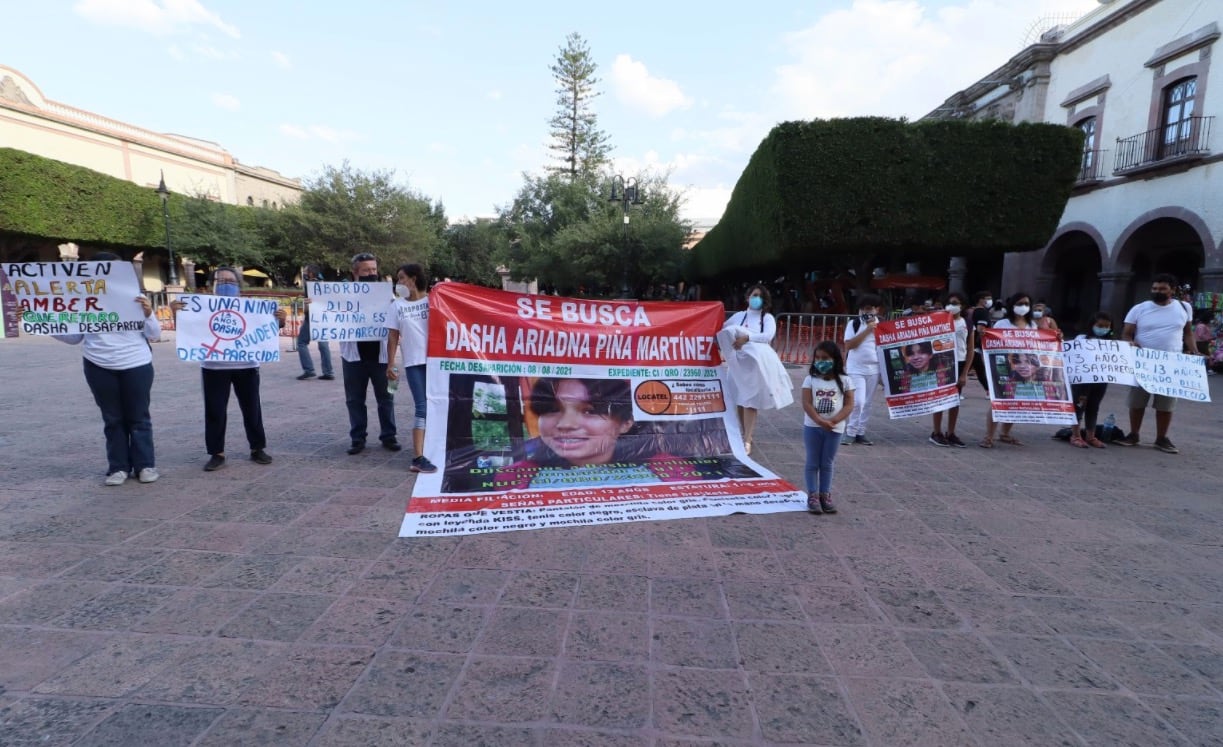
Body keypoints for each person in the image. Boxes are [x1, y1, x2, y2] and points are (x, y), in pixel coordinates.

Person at [54, 252, 161, 486]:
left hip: (136, 364)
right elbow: (74, 337)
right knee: (112, 419)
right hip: (98, 364)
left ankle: (145, 465)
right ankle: (118, 467)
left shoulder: (136, 297)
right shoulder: (82, 300)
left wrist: (149, 314)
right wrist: (42, 323)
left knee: (139, 417)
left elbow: (154, 334)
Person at [171, 267, 285, 471]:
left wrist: (281, 319)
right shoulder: (200, 307)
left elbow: (268, 331)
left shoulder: (252, 308)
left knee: (252, 409)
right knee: (215, 410)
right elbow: (189, 330)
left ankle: (257, 448)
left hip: (247, 365)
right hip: (214, 366)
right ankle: (216, 453)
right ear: (212, 284)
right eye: (221, 281)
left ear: (238, 286)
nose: (226, 285)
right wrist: (176, 313)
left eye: (230, 282)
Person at [494, 378, 690, 489]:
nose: (565, 424)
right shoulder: (514, 478)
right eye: (552, 409)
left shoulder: (673, 473)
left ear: (626, 423)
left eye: (589, 411)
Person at [1118, 273, 1200, 453]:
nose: (1157, 291)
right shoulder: (1139, 308)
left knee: (1166, 404)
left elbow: (1187, 333)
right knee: (1137, 401)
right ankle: (1134, 434)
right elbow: (1126, 333)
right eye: (1154, 288)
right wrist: (1129, 342)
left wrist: (1194, 351)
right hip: (1143, 362)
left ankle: (1161, 438)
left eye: (1162, 289)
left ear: (1172, 290)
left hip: (1171, 364)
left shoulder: (1184, 307)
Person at [717, 284, 793, 455]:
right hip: (738, 364)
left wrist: (748, 338)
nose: (755, 298)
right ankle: (744, 433)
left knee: (750, 401)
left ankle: (747, 439)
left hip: (754, 365)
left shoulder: (767, 318)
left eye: (759, 296)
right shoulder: (739, 316)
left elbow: (767, 336)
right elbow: (721, 329)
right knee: (738, 399)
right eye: (753, 295)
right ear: (747, 297)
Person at [342, 252, 400, 455]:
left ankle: (389, 435)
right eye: (367, 270)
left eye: (374, 269)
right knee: (354, 400)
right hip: (353, 357)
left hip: (382, 356)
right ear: (355, 272)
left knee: (387, 397)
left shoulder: (388, 295)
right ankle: (357, 438)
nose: (371, 273)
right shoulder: (342, 294)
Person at [385, 263, 437, 473]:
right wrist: (391, 363)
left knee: (438, 405)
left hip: (437, 362)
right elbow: (393, 337)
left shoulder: (433, 301)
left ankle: (434, 448)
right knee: (422, 406)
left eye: (401, 278)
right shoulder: (397, 306)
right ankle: (417, 456)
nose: (399, 283)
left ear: (413, 279)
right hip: (414, 362)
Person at [801, 340, 855, 515]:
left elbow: (848, 404)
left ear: (835, 359)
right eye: (817, 358)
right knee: (812, 462)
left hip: (835, 429)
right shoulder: (810, 379)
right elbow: (807, 403)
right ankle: (813, 495)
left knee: (827, 463)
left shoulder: (846, 381)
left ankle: (825, 494)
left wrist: (834, 421)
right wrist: (819, 420)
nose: (820, 361)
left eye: (825, 358)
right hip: (812, 427)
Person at [981, 291, 1037, 448]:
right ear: (1012, 306)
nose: (1023, 307)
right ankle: (989, 436)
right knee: (997, 401)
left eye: (1026, 304)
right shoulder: (1002, 324)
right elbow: (992, 346)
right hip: (1004, 368)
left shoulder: (1032, 326)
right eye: (1019, 304)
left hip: (1024, 368)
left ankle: (1005, 433)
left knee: (1017, 401)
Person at [930, 292, 974, 447]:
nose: (952, 306)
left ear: (962, 305)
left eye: (955, 303)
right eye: (949, 303)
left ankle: (951, 432)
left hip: (959, 363)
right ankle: (936, 432)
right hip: (942, 363)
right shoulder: (938, 321)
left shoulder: (967, 323)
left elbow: (970, 349)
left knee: (955, 401)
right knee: (940, 399)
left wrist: (965, 373)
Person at [1068, 312, 1114, 449]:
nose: (1103, 329)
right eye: (1100, 326)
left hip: (1100, 381)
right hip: (1082, 381)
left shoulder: (1111, 344)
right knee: (1079, 406)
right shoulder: (1081, 338)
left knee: (1093, 407)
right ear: (1092, 325)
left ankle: (1090, 436)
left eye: (1107, 326)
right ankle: (1075, 435)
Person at [842, 293, 882, 446]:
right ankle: (850, 432)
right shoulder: (854, 324)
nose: (866, 312)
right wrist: (867, 330)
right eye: (863, 309)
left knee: (867, 402)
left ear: (876, 310)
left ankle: (861, 432)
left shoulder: (882, 326)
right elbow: (849, 345)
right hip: (856, 367)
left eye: (869, 309)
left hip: (874, 368)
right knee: (857, 401)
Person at [296, 264, 334, 381]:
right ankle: (328, 371)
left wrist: (306, 307)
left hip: (312, 317)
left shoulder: (310, 285)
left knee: (301, 343)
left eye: (306, 271)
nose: (304, 274)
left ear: (311, 273)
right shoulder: (324, 284)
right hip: (323, 317)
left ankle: (309, 369)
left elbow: (309, 303)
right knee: (323, 345)